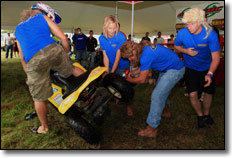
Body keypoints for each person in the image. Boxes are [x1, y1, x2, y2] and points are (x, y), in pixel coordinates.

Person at [15, 2, 84, 134]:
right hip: (52, 50)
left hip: (34, 61)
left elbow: (22, 57)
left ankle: (44, 127)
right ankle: (90, 89)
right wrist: (66, 53)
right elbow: (63, 38)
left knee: (39, 98)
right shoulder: (42, 17)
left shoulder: (18, 30)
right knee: (72, 68)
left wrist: (28, 72)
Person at [120, 40, 185, 138]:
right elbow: (147, 65)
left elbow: (142, 79)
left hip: (175, 69)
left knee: (157, 96)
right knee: (162, 91)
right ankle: (166, 112)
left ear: (134, 51)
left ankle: (152, 128)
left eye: (130, 57)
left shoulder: (145, 56)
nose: (129, 59)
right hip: (168, 68)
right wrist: (135, 72)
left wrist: (128, 80)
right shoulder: (143, 50)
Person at [174, 8, 221, 128]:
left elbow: (216, 57)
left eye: (192, 23)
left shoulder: (210, 34)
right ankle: (200, 116)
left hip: (207, 67)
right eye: (187, 24)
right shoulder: (182, 33)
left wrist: (210, 73)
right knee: (193, 95)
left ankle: (206, 114)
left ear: (200, 22)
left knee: (208, 93)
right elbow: (176, 46)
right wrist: (185, 51)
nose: (188, 26)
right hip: (190, 68)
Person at [99, 15, 133, 116]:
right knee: (110, 83)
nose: (113, 30)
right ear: (105, 27)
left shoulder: (120, 36)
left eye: (115, 28)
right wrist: (106, 70)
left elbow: (118, 56)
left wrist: (112, 72)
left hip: (122, 64)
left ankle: (128, 106)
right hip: (109, 64)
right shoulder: (101, 38)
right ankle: (115, 97)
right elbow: (105, 56)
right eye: (110, 28)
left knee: (124, 86)